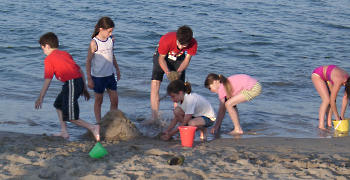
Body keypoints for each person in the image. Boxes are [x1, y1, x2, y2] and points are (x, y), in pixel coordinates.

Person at [35, 32, 100, 141]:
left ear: (47, 46)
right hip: (75, 82)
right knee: (58, 104)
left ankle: (93, 127)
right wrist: (84, 88)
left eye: (42, 48)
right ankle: (64, 131)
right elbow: (79, 70)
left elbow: (48, 80)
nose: (43, 51)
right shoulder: (65, 54)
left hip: (72, 83)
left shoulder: (49, 59)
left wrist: (40, 97)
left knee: (71, 117)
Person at [150, 25, 198, 120]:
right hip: (162, 56)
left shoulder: (193, 43)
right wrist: (168, 73)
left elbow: (187, 60)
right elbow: (161, 59)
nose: (180, 47)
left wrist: (178, 72)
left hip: (179, 59)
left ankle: (177, 116)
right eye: (180, 44)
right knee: (155, 84)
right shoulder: (166, 40)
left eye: (184, 46)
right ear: (177, 38)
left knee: (178, 87)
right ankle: (154, 117)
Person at [86, 17, 121, 125]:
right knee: (99, 100)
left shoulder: (111, 40)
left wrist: (117, 69)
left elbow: (112, 55)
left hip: (110, 75)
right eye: (109, 31)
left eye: (112, 31)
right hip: (98, 77)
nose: (110, 34)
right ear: (101, 29)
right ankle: (99, 122)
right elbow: (88, 62)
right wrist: (89, 79)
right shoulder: (94, 43)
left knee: (115, 100)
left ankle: (111, 120)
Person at [311, 65, 350, 129]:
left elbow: (345, 97)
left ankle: (329, 124)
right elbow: (332, 100)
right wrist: (337, 116)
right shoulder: (339, 80)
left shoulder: (348, 80)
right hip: (318, 74)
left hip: (329, 75)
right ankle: (321, 126)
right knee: (327, 100)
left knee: (333, 101)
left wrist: (342, 116)